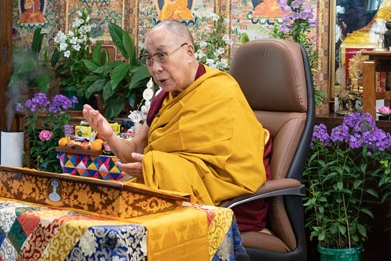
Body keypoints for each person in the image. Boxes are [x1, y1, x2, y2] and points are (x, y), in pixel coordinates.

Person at [82, 20, 267, 210]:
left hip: (223, 203)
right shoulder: (163, 99)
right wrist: (109, 136)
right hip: (168, 194)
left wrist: (156, 168)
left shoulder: (222, 93)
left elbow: (228, 173)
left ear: (189, 52)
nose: (155, 68)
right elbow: (135, 151)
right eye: (149, 59)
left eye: (162, 56)